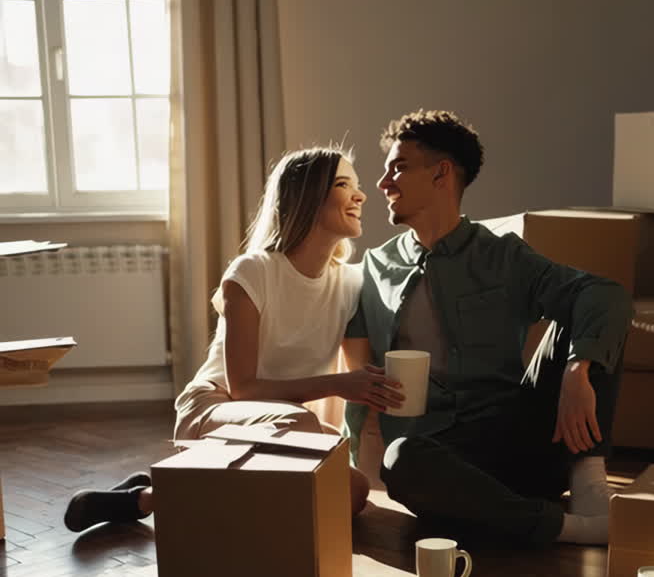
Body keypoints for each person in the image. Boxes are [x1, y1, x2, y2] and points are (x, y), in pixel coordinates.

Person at [63, 147, 403, 533]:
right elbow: (243, 388)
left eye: (357, 186)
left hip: (291, 426)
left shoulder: (350, 282)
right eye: (344, 185)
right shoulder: (252, 272)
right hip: (215, 409)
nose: (360, 196)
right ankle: (184, 491)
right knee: (301, 433)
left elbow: (359, 375)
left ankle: (147, 498)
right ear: (307, 196)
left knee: (353, 493)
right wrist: (337, 386)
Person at [344, 109, 634, 546]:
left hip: (521, 438)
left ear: (442, 174)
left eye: (399, 168)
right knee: (401, 459)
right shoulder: (375, 266)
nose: (384, 184)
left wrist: (577, 369)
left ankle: (589, 478)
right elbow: (357, 380)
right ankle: (567, 528)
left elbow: (604, 293)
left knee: (591, 311)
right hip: (442, 456)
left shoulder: (504, 256)